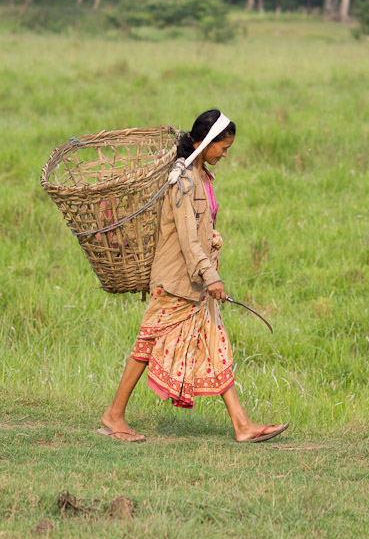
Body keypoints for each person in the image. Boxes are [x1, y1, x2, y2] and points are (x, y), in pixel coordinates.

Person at [99, 109, 289, 444]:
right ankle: (114, 415)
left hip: (195, 282)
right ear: (203, 142)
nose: (225, 154)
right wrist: (211, 276)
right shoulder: (184, 180)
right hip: (176, 280)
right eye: (222, 148)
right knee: (145, 344)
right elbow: (188, 238)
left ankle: (242, 425)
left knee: (215, 345)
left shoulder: (201, 177)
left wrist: (207, 274)